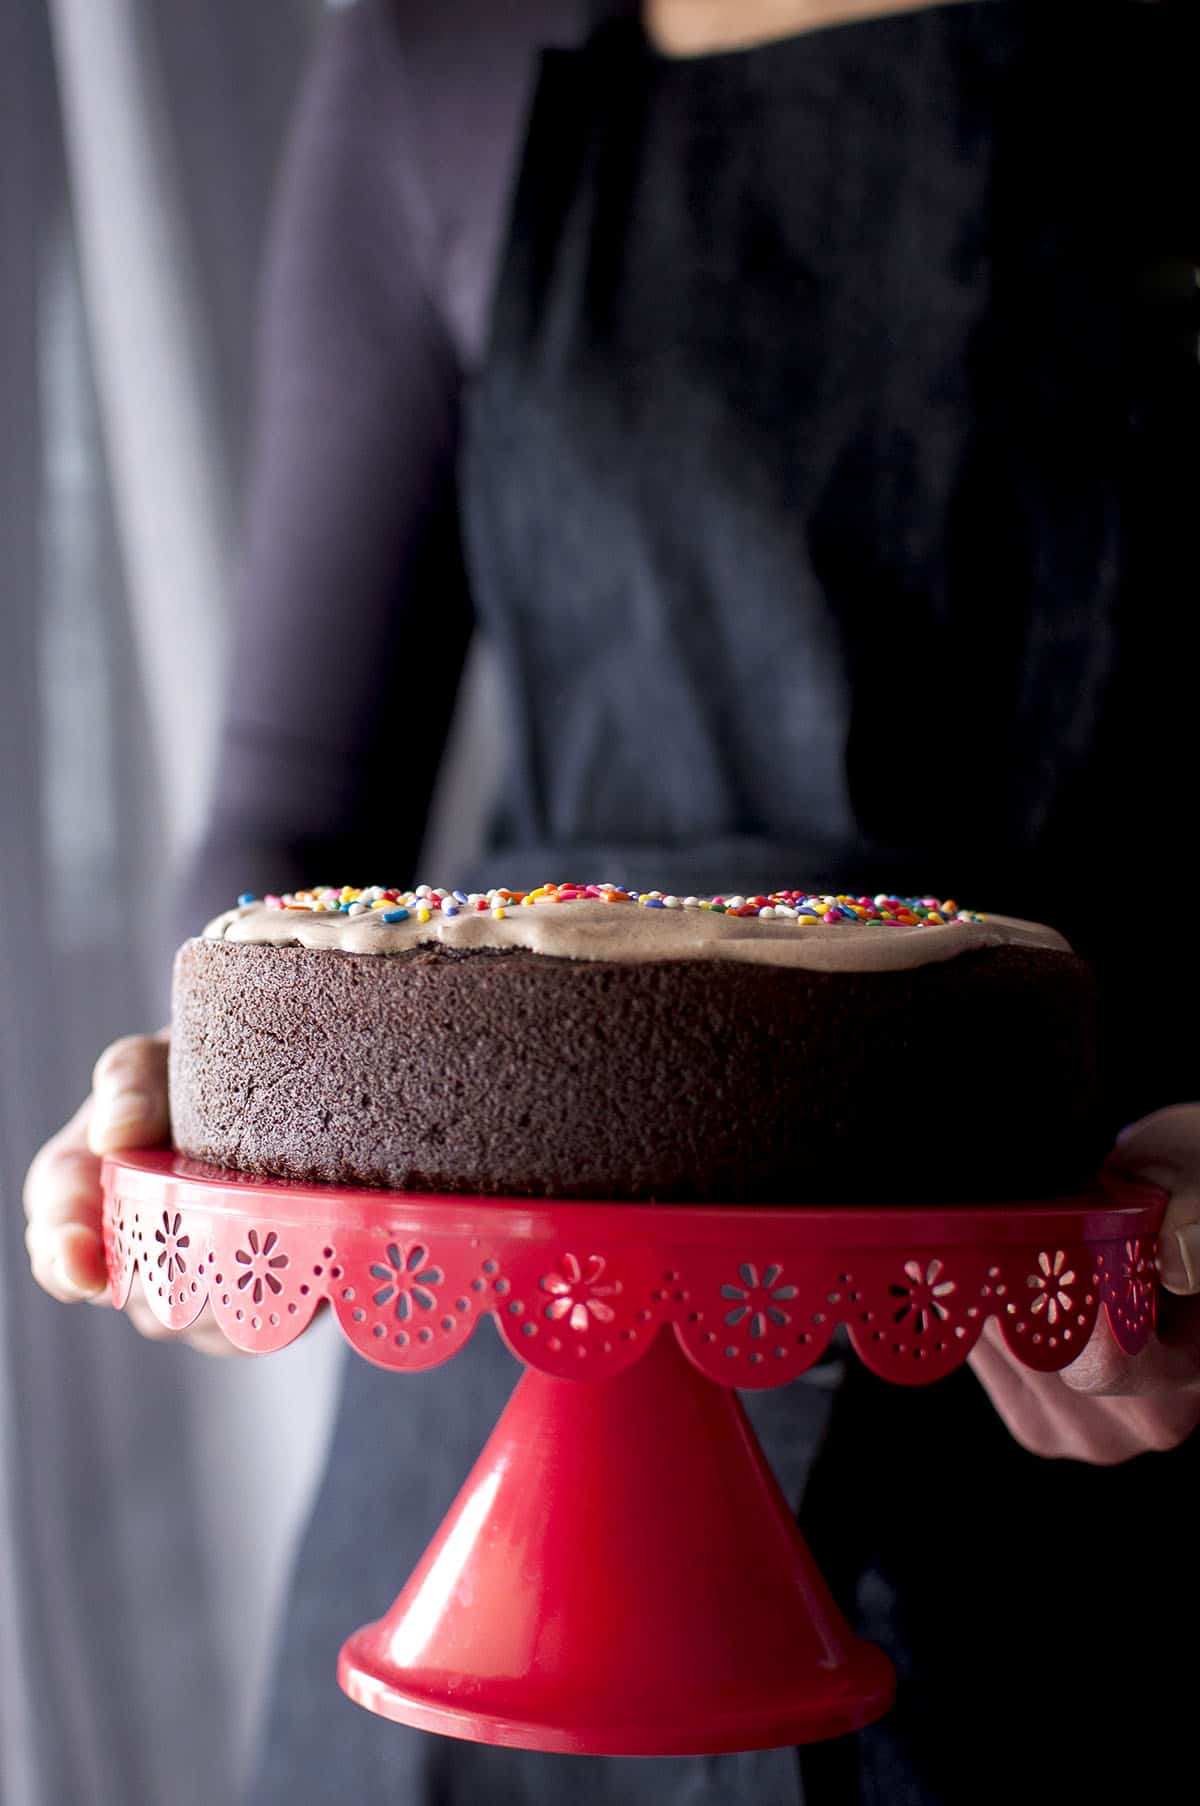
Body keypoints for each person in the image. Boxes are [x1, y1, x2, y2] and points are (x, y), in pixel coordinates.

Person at [23, 0, 1200, 1799]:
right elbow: (286, 814)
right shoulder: (452, 62)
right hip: (486, 1533)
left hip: (1065, 1497)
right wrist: (213, 1091)